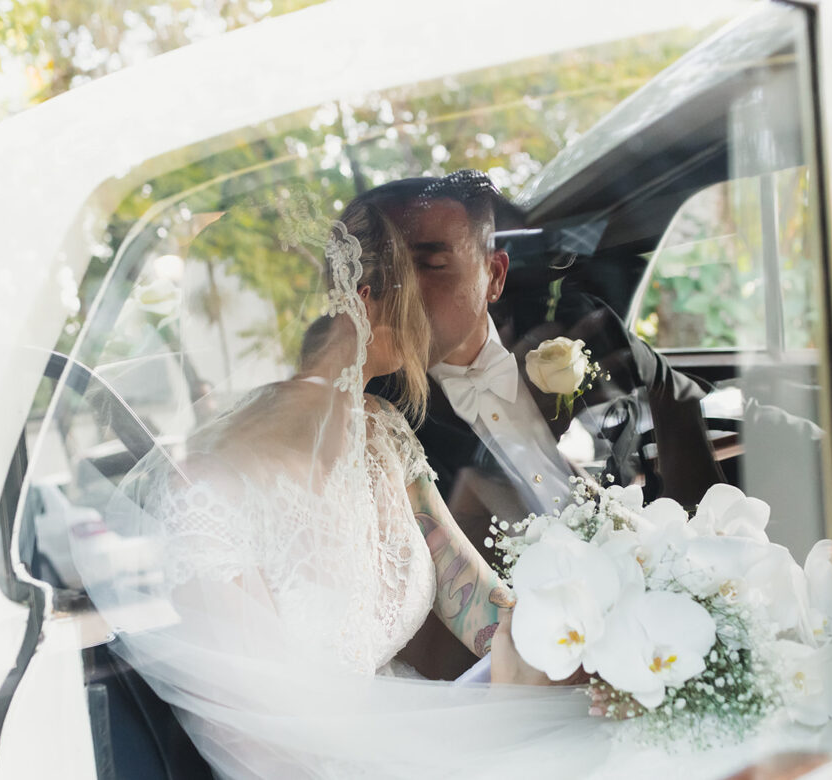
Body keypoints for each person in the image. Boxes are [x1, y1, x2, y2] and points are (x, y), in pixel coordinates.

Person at [80, 198, 608, 779]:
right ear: (362, 304)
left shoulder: (380, 427)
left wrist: (590, 646)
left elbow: (477, 601)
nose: (424, 314)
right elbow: (276, 755)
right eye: (408, 286)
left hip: (429, 743)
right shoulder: (207, 496)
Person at [360, 171, 832, 679]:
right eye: (385, 269)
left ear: (493, 275)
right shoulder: (376, 418)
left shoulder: (583, 332)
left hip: (681, 620)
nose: (400, 289)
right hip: (546, 673)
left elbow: (720, 412)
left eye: (430, 264)